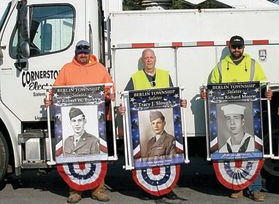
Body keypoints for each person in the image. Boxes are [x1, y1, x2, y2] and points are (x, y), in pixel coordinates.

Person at [205, 35, 272, 202]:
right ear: (229, 47)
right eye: (234, 47)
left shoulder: (252, 65)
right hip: (227, 116)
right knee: (233, 153)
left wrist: (267, 92)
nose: (236, 50)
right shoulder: (220, 66)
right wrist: (205, 93)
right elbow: (212, 86)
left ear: (243, 48)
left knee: (252, 152)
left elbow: (263, 84)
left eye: (239, 47)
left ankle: (255, 189)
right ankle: (238, 188)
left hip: (249, 114)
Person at [45, 40, 113, 203]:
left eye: (85, 51)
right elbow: (56, 90)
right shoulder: (67, 69)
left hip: (96, 122)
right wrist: (50, 99)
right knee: (72, 156)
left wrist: (108, 95)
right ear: (76, 53)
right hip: (73, 123)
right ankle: (75, 191)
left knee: (97, 154)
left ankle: (99, 189)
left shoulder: (100, 69)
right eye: (80, 51)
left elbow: (109, 89)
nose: (82, 54)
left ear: (89, 52)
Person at [119, 48, 186, 200]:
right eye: (146, 58)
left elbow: (173, 96)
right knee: (146, 157)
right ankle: (146, 189)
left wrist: (180, 101)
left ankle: (168, 188)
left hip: (163, 120)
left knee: (168, 157)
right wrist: (121, 108)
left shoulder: (165, 75)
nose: (149, 60)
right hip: (144, 123)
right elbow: (125, 99)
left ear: (155, 59)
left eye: (151, 57)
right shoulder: (135, 78)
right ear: (143, 61)